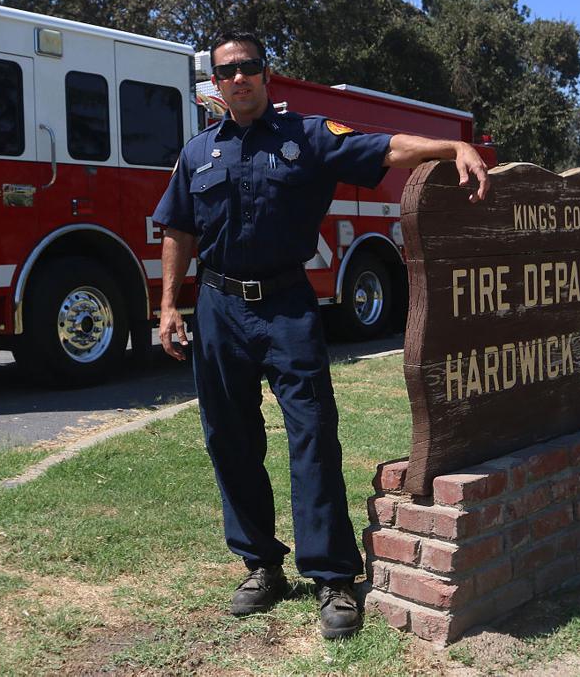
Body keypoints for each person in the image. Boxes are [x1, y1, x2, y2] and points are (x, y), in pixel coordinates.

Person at [151, 32, 489, 639]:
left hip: (287, 306)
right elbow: (176, 227)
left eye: (248, 67)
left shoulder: (305, 137)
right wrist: (169, 305)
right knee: (228, 438)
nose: (238, 78)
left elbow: (384, 148)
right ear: (216, 82)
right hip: (219, 307)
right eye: (226, 71)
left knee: (311, 433)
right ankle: (259, 565)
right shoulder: (197, 153)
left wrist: (452, 146)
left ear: (265, 74)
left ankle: (332, 577)